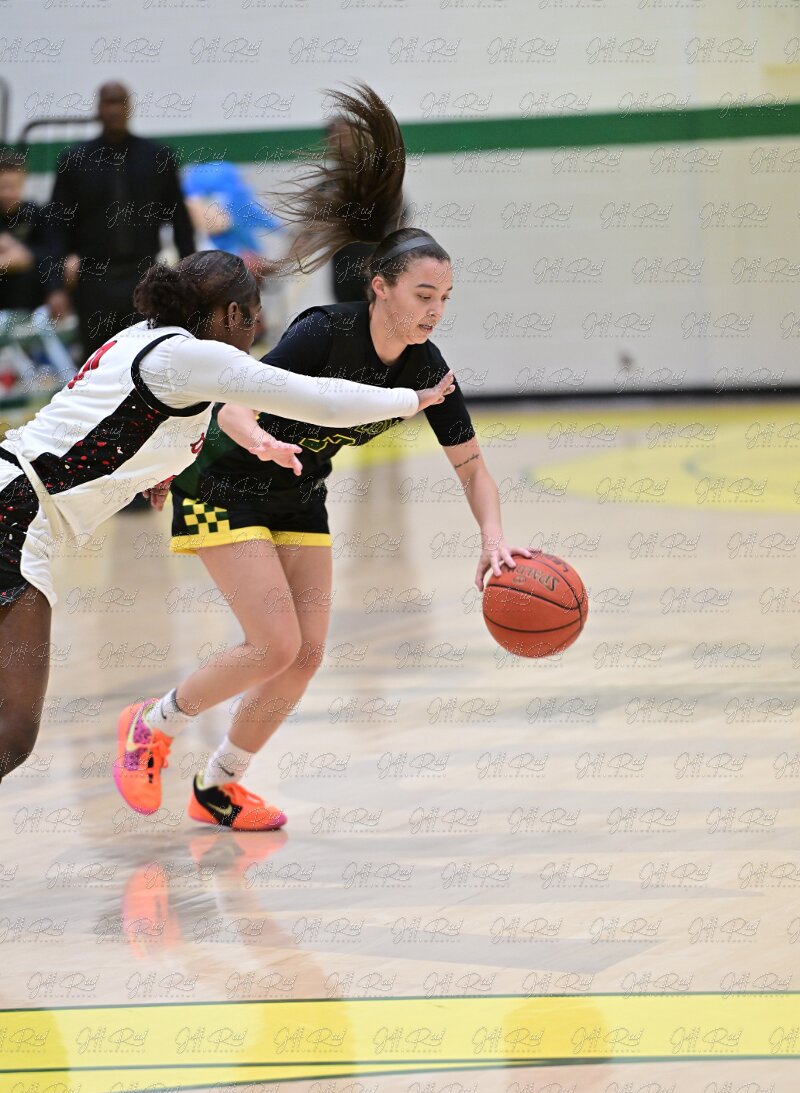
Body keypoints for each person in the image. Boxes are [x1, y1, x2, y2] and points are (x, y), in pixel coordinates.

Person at [114, 85, 530, 834]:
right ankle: (152, 723)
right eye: (422, 294)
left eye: (444, 297)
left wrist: (493, 538)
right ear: (380, 287)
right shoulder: (322, 332)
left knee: (304, 655)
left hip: (300, 493)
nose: (434, 310)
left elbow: (472, 466)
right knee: (272, 644)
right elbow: (233, 400)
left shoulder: (426, 367)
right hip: (225, 481)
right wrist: (261, 441)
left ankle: (218, 785)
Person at [0, 248, 454, 785]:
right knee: (12, 733)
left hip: (15, 497)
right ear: (232, 313)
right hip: (17, 515)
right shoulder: (195, 357)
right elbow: (321, 401)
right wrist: (411, 399)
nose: (255, 332)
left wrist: (155, 471)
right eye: (253, 318)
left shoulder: (143, 339)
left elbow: (108, 419)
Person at [45, 81, 196, 356]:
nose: (114, 109)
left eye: (120, 102)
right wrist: (56, 287)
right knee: (94, 359)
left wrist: (190, 276)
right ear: (98, 108)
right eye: (108, 102)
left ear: (130, 107)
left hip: (143, 277)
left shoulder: (157, 158)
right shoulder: (75, 160)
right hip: (92, 280)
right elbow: (56, 227)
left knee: (143, 357)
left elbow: (180, 221)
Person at [0, 149, 52, 313]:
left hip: (30, 303)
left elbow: (48, 254)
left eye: (13, 187)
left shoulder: (35, 213)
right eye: (3, 187)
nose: (8, 193)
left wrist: (26, 255)